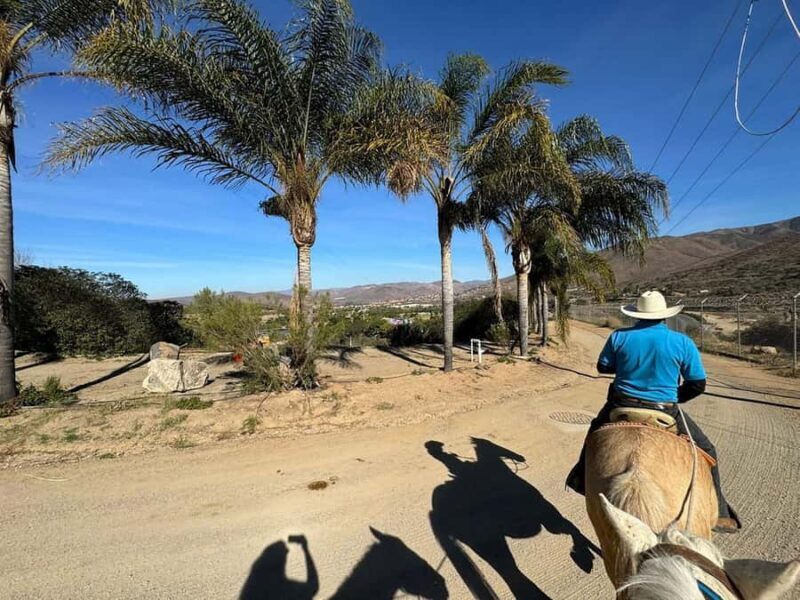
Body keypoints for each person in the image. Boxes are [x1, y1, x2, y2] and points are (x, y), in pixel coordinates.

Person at [565, 290, 741, 534]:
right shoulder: (682, 342)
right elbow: (697, 384)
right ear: (664, 316)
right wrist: (674, 398)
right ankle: (720, 512)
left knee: (594, 433)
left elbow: (603, 366)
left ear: (637, 314)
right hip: (664, 408)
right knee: (707, 449)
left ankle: (580, 479)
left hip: (621, 405)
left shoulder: (619, 336)